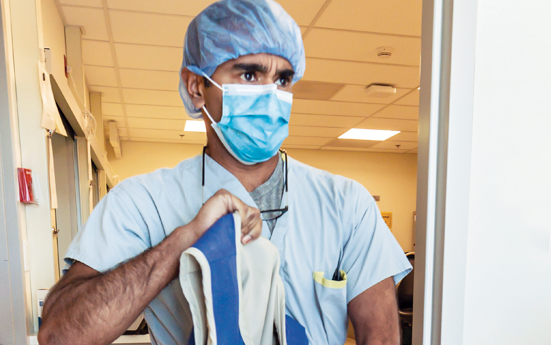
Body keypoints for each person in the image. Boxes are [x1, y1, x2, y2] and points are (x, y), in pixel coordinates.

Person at [38, 1, 412, 344]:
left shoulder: (347, 205)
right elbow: (59, 335)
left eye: (282, 79)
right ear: (197, 86)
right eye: (249, 75)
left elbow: (380, 337)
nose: (270, 95)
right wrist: (183, 242)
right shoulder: (141, 203)